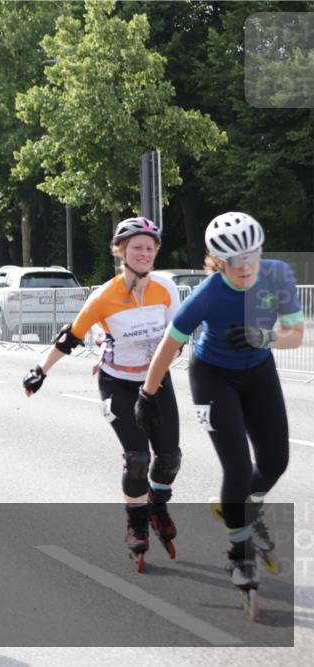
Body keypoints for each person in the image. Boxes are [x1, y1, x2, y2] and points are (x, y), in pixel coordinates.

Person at [136, 212, 304, 607]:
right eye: (232, 260)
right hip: (212, 377)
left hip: (259, 369)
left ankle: (247, 507)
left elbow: (297, 334)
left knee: (276, 460)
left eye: (250, 256)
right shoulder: (208, 294)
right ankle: (239, 554)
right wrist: (147, 393)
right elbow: (169, 344)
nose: (244, 267)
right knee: (239, 468)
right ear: (217, 261)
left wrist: (263, 336)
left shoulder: (277, 276)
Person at [23, 217, 183, 572]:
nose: (144, 253)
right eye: (136, 247)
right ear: (121, 251)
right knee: (138, 457)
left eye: (149, 248)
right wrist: (40, 371)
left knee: (169, 457)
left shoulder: (167, 289)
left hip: (156, 382)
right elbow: (71, 336)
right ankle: (137, 522)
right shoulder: (104, 296)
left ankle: (157, 501)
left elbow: (178, 335)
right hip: (118, 384)